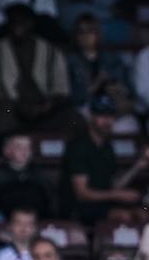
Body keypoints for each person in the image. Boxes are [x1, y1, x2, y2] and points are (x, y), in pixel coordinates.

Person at [0, 3, 72, 137]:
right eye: (12, 21)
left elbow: (62, 91)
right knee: (1, 118)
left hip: (45, 110)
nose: (17, 25)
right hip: (9, 108)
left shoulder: (51, 52)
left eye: (23, 21)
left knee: (73, 120)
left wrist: (49, 105)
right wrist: (17, 106)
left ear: (32, 23)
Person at [62, 93, 148, 224]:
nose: (107, 121)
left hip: (104, 203)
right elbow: (82, 193)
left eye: (110, 115)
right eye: (102, 115)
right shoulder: (79, 145)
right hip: (77, 207)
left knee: (142, 214)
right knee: (124, 216)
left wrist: (138, 166)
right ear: (92, 116)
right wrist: (117, 195)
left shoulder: (107, 147)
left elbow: (113, 185)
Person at [63, 14, 133, 114]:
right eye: (81, 31)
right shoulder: (69, 61)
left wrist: (119, 89)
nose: (85, 36)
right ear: (75, 35)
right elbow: (71, 96)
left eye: (90, 31)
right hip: (82, 110)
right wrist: (96, 84)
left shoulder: (112, 58)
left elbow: (128, 89)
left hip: (112, 107)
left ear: (97, 33)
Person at [0, 134, 58, 221]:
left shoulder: (39, 175)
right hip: (6, 222)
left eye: (28, 147)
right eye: (19, 147)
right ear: (7, 150)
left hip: (36, 222)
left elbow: (52, 201)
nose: (24, 151)